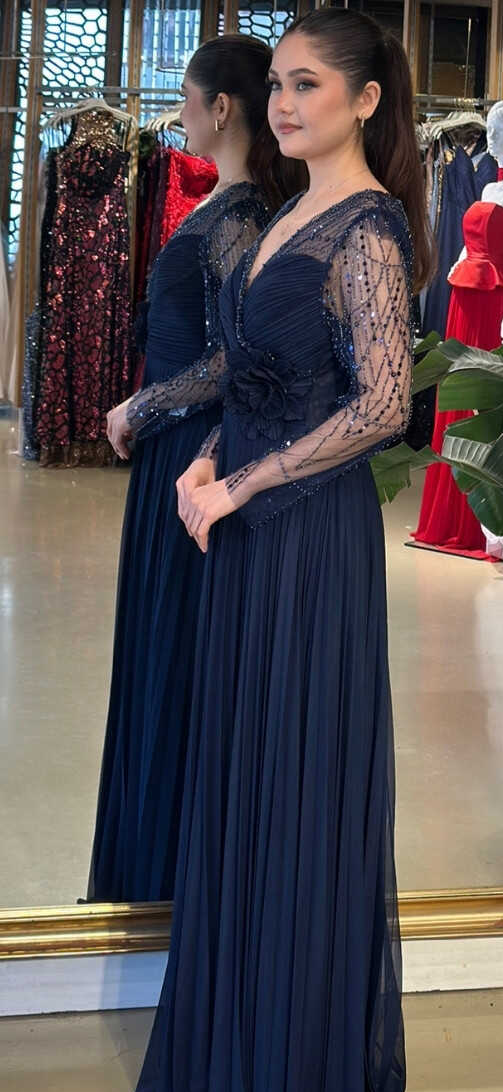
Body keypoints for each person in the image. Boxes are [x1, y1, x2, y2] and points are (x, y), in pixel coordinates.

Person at [132, 9, 435, 1092]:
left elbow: (384, 406)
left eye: (308, 85)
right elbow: (261, 377)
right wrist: (210, 455)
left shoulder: (366, 227)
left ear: (365, 100)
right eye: (278, 86)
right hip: (246, 528)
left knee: (294, 775)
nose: (285, 104)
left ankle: (287, 1066)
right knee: (244, 773)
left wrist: (245, 480)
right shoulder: (286, 214)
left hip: (306, 541)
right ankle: (237, 1041)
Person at [86, 34, 304, 903]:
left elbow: (233, 357)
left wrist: (140, 407)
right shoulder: (226, 205)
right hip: (175, 447)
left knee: (176, 653)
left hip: (191, 450)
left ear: (220, 107)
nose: (177, 113)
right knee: (162, 649)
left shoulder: (242, 217)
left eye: (185, 96)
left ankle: (166, 877)